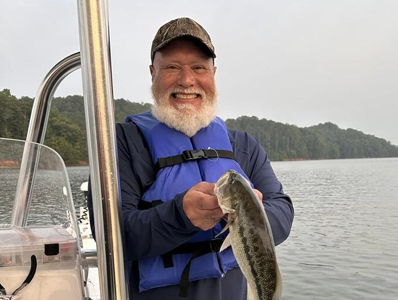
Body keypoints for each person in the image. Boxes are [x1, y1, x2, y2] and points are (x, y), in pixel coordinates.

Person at [91, 17, 294, 300]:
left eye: (199, 67)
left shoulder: (243, 145)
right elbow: (112, 236)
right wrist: (181, 215)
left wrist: (248, 214)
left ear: (213, 73)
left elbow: (282, 211)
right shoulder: (119, 144)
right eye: (172, 67)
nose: (187, 80)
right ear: (153, 73)